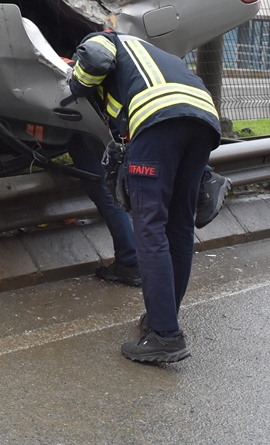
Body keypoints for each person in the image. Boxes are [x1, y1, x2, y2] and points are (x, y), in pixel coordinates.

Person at [68, 29, 221, 363]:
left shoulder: (105, 37)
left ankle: (165, 336)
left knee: (150, 228)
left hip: (157, 121)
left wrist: (74, 79)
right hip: (204, 118)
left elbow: (94, 58)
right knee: (179, 226)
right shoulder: (150, 53)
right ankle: (161, 321)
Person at [68, 132, 140, 286]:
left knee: (103, 191)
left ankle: (129, 261)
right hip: (110, 131)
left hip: (87, 129)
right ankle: (133, 259)